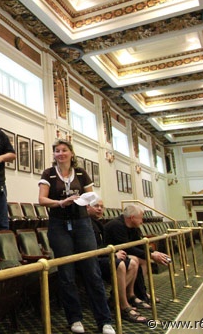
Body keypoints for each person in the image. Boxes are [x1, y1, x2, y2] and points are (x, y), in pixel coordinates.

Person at [38, 139, 115, 334]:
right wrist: (61, 203)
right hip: (59, 225)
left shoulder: (81, 173)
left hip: (82, 223)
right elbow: (42, 199)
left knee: (92, 272)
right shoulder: (48, 173)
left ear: (71, 153)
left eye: (64, 150)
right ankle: (75, 319)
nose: (60, 153)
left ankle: (104, 320)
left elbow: (91, 197)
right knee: (66, 275)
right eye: (57, 151)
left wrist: (84, 200)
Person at [87, 199, 147, 324]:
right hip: (91, 260)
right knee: (120, 264)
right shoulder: (86, 224)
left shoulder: (98, 223)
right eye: (96, 206)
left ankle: (127, 296)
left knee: (133, 262)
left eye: (102, 206)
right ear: (87, 207)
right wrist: (113, 254)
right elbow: (90, 249)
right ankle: (123, 306)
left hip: (103, 255)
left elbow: (103, 246)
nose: (100, 209)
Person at [104, 204, 171, 309]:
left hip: (124, 252)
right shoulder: (116, 225)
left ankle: (139, 292)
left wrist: (153, 252)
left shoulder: (132, 226)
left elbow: (139, 243)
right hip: (111, 255)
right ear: (132, 217)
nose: (142, 221)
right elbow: (127, 247)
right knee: (136, 260)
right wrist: (151, 255)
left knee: (144, 260)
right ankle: (121, 296)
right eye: (140, 218)